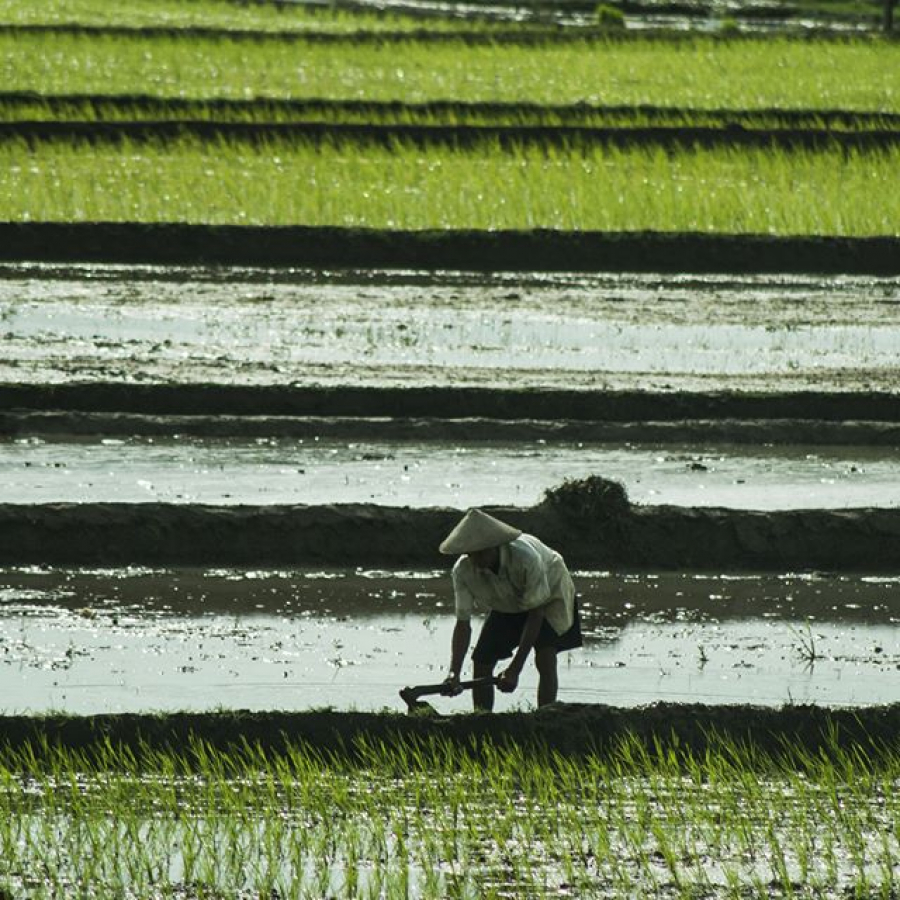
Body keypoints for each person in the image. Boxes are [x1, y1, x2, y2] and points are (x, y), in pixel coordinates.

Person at [439, 508, 582, 711]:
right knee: (482, 659)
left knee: (545, 655)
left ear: (496, 547)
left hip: (549, 594)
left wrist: (514, 669)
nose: (477, 560)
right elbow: (463, 623)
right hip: (507, 600)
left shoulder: (526, 558)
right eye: (471, 554)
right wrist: (454, 673)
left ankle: (547, 717)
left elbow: (536, 613)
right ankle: (482, 719)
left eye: (481, 553)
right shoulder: (463, 570)